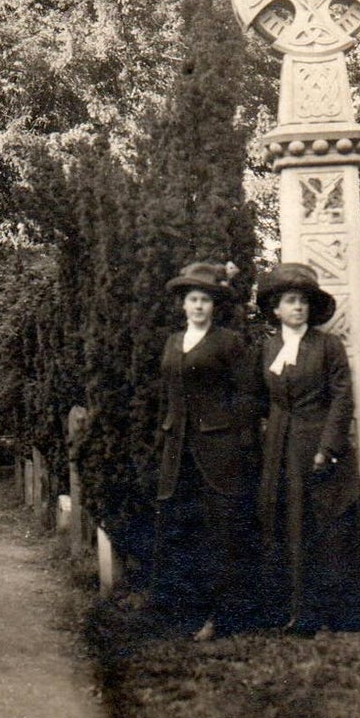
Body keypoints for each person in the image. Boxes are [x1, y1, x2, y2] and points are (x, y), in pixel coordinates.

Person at [255, 262, 360, 632]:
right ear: (276, 309)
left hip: (318, 446)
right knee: (287, 524)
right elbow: (260, 400)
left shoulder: (327, 346)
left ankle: (342, 614)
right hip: (280, 450)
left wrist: (328, 447)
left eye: (303, 302)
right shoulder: (268, 349)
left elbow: (342, 398)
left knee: (328, 529)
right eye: (290, 301)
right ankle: (295, 612)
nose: (298, 308)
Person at [153, 260, 259, 640]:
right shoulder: (172, 341)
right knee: (183, 531)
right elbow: (167, 396)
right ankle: (183, 613)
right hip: (178, 453)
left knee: (222, 533)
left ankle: (223, 616)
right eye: (192, 299)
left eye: (205, 301)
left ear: (215, 306)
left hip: (219, 453)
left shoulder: (228, 342)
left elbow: (247, 396)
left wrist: (239, 441)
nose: (198, 306)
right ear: (183, 304)